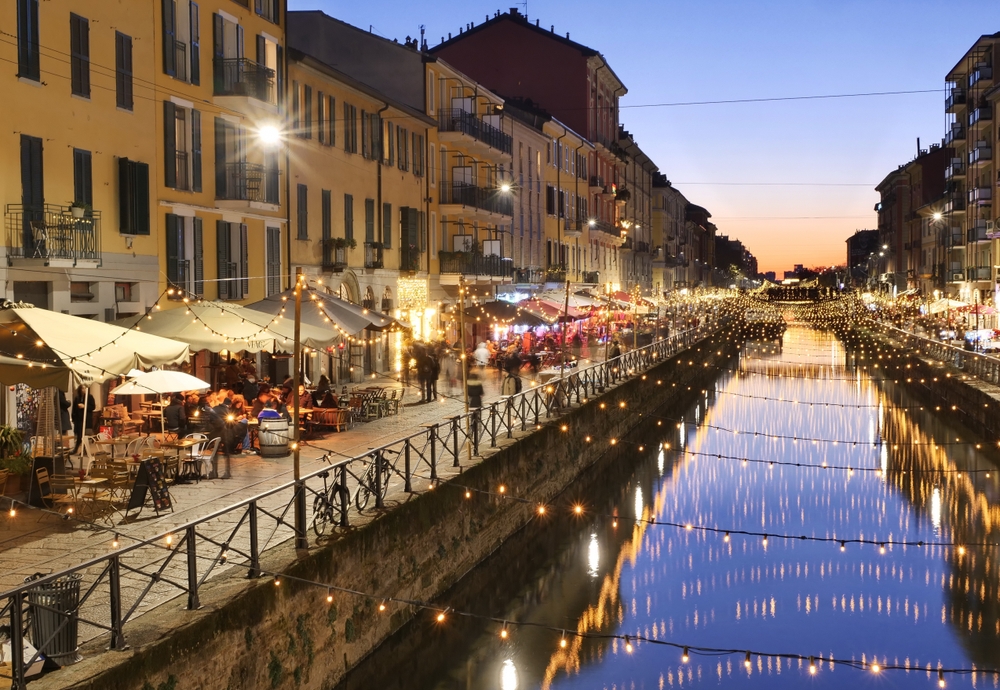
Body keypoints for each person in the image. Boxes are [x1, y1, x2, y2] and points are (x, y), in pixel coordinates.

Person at [71, 385, 95, 455]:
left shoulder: (89, 397)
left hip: (86, 419)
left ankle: (84, 450)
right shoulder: (77, 398)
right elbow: (74, 409)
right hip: (78, 420)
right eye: (82, 388)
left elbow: (93, 407)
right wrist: (73, 418)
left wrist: (85, 406)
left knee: (85, 436)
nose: (83, 390)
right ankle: (77, 449)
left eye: (84, 388)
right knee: (79, 435)